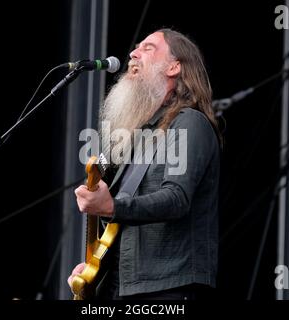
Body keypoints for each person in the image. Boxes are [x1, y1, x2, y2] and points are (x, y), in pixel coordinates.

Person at [68, 28, 222, 300]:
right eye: (136, 47)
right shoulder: (138, 137)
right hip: (122, 288)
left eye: (148, 48)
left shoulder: (189, 123)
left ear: (174, 67)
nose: (133, 53)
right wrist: (94, 270)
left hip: (167, 289)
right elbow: (121, 225)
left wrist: (112, 206)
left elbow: (176, 198)